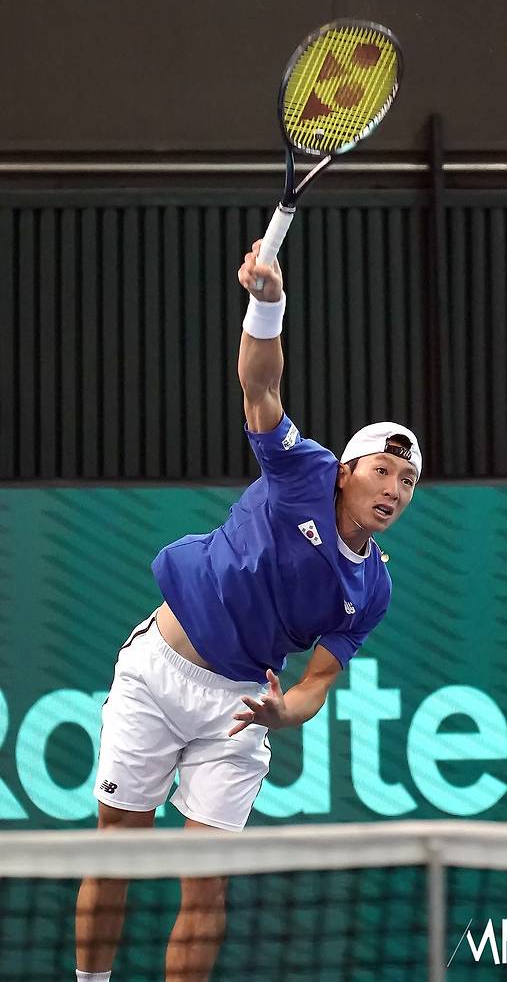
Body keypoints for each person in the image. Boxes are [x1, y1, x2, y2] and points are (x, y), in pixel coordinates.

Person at [74, 239, 422, 982]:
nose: (394, 489)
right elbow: (260, 385)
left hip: (238, 709)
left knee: (207, 883)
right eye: (384, 469)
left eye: (408, 481)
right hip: (159, 670)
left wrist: (282, 712)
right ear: (348, 472)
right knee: (116, 851)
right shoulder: (303, 470)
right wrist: (269, 303)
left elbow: (318, 680)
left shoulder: (374, 588)